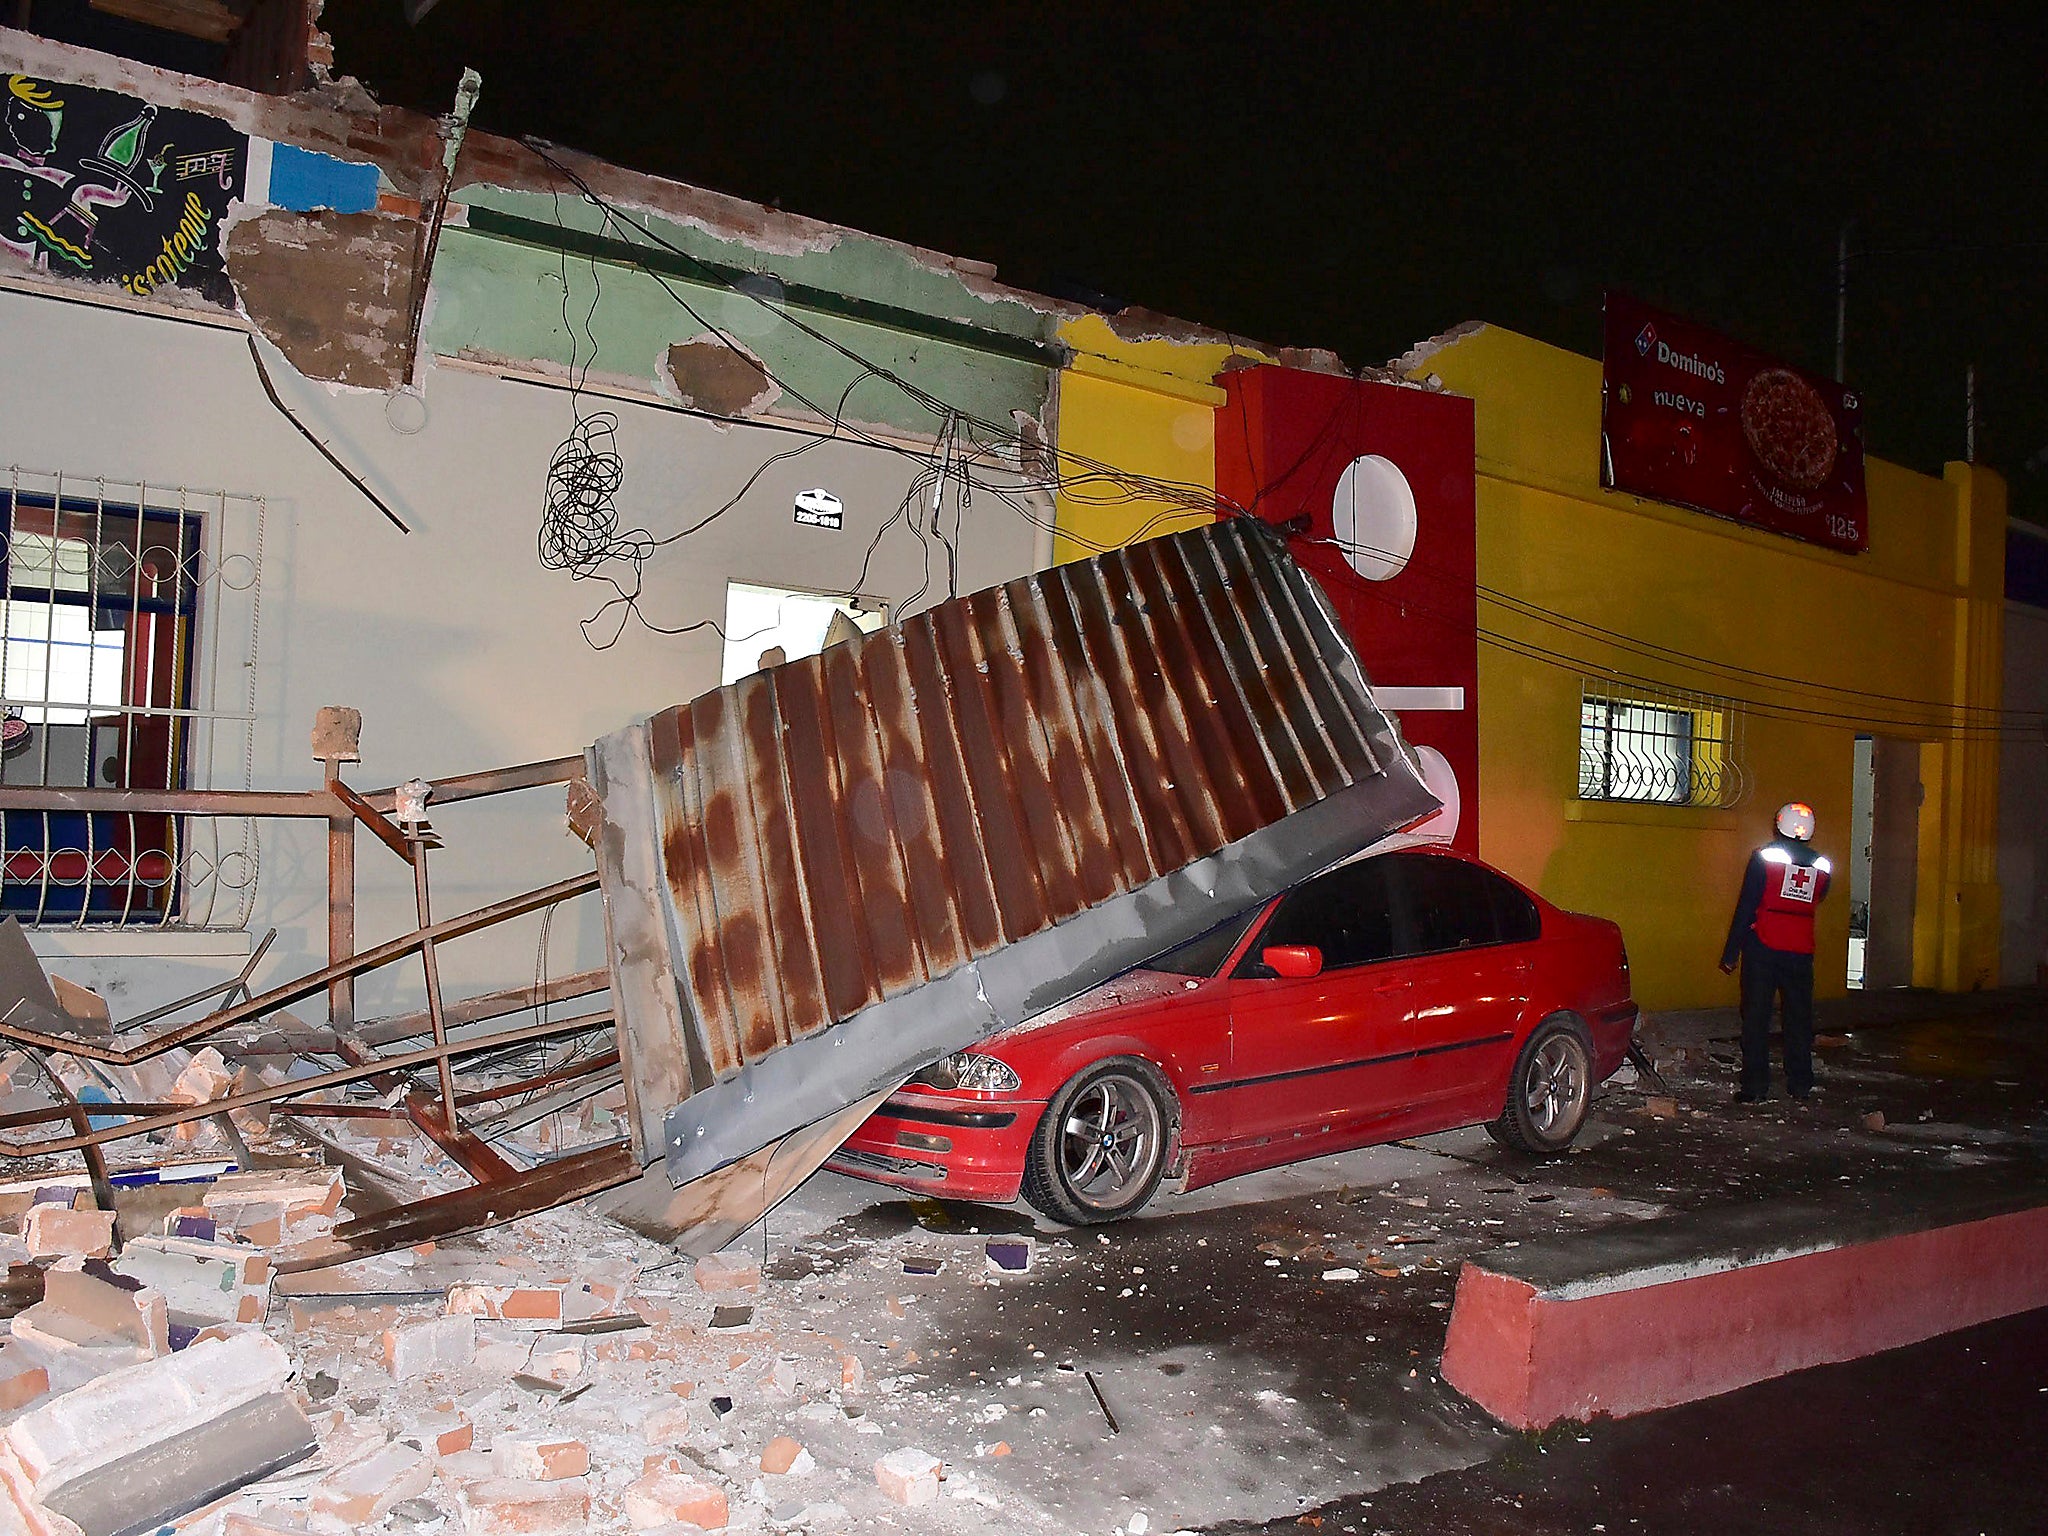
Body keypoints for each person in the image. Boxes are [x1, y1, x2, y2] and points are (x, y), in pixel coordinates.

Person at [1719, 801, 1832, 1103]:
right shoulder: (1822, 864)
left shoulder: (1764, 857)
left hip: (1764, 948)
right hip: (1801, 951)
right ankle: (1801, 1084)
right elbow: (1819, 896)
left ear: (1779, 823)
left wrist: (1731, 952)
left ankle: (1755, 1087)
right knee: (1799, 1019)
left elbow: (1747, 906)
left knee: (1756, 1018)